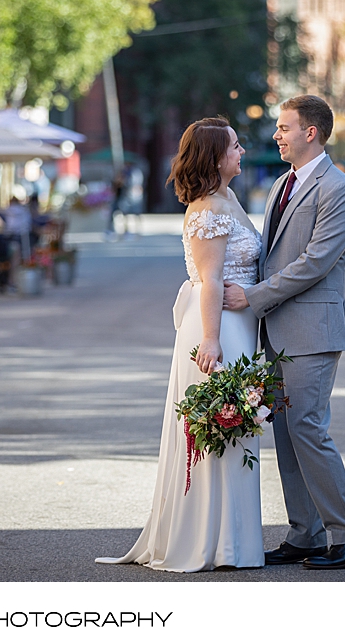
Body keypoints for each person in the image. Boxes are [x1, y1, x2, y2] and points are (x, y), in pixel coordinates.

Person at [96, 117, 264, 572]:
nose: (242, 152)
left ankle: (234, 541)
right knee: (219, 428)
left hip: (240, 326)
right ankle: (210, 541)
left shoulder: (228, 199)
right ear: (214, 156)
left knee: (236, 430)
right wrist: (210, 339)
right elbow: (210, 281)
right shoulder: (207, 208)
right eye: (234, 146)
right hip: (218, 328)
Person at [222, 95, 345, 570]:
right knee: (287, 433)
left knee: (309, 427)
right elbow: (270, 253)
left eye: (284, 127)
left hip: (313, 328)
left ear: (311, 132)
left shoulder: (339, 190)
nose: (276, 135)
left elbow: (315, 263)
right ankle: (306, 533)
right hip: (275, 331)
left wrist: (254, 297)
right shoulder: (280, 186)